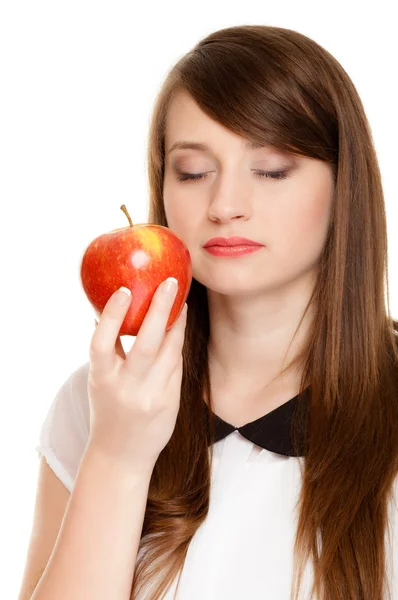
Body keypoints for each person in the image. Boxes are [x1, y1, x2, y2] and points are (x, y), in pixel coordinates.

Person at [18, 24, 398, 600]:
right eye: (193, 172)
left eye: (270, 169)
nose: (224, 206)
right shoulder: (99, 402)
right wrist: (116, 456)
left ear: (345, 183)